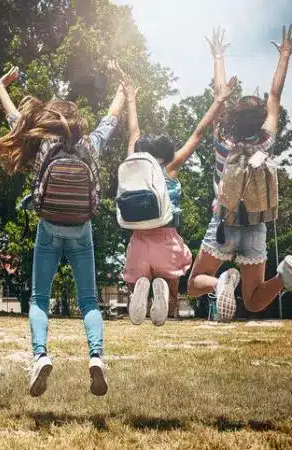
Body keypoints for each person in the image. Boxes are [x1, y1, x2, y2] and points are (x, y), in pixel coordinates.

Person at [0, 63, 126, 397]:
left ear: (51, 119)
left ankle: (40, 355)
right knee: (89, 300)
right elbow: (111, 118)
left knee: (40, 297)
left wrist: (1, 86)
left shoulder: (40, 143)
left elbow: (12, 116)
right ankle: (95, 357)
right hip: (81, 227)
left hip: (49, 226)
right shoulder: (90, 144)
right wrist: (123, 85)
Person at [187, 25, 292, 321]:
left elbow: (219, 93)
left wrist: (218, 55)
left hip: (224, 222)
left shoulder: (222, 142)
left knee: (193, 285)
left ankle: (220, 282)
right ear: (260, 122)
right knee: (254, 302)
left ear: (231, 119)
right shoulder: (266, 141)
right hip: (256, 223)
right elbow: (275, 94)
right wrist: (284, 55)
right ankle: (284, 276)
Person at [118, 64, 237, 325]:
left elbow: (134, 132)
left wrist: (130, 99)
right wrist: (218, 101)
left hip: (138, 240)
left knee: (137, 280)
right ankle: (164, 299)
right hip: (166, 238)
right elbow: (198, 133)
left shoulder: (133, 163)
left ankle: (140, 290)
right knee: (171, 294)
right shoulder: (170, 167)